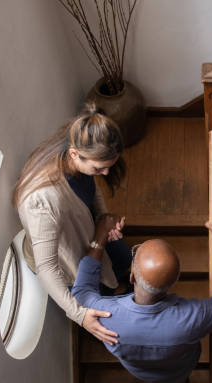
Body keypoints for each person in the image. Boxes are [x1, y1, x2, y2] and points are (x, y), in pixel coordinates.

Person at [72, 212, 212, 383]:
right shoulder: (193, 317)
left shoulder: (106, 315)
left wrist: (99, 237)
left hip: (138, 369)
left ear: (131, 278)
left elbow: (81, 292)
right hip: (178, 371)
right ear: (175, 282)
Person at [13, 103, 131, 345]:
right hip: (67, 261)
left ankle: (120, 287)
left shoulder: (71, 152)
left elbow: (92, 189)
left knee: (126, 261)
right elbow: (47, 267)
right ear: (76, 154)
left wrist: (105, 219)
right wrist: (79, 315)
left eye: (109, 166)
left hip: (90, 233)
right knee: (104, 301)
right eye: (100, 168)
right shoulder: (42, 201)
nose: (106, 173)